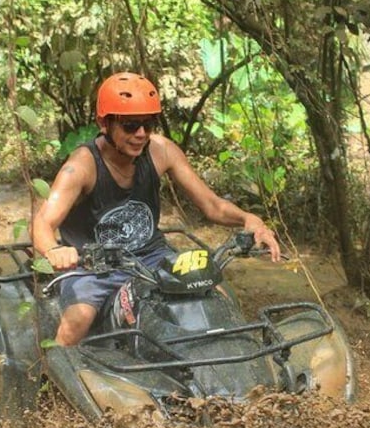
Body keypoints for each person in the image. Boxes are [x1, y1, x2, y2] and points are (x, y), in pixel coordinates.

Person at [31, 72, 280, 346]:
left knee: (216, 293)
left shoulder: (161, 151)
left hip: (153, 257)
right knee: (77, 320)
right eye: (129, 125)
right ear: (104, 123)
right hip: (95, 266)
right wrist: (55, 251)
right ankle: (51, 383)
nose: (140, 134)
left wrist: (249, 219)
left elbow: (211, 205)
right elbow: (42, 222)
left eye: (148, 124)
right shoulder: (81, 166)